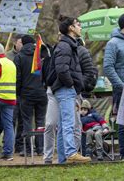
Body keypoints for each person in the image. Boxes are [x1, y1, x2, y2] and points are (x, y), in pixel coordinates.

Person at [51, 16, 90, 163]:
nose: (80, 27)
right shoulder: (65, 46)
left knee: (62, 126)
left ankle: (63, 159)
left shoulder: (66, 45)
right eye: (78, 25)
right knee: (69, 123)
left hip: (64, 89)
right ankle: (71, 153)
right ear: (71, 28)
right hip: (65, 89)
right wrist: (71, 85)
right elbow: (62, 69)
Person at [103, 13, 124, 160]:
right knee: (123, 121)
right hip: (121, 88)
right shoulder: (112, 43)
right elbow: (108, 67)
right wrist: (121, 85)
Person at [14, 35, 47, 156]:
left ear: (22, 43)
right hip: (41, 94)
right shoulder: (41, 56)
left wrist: (18, 93)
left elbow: (17, 78)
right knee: (40, 121)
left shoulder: (19, 57)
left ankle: (28, 150)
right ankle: (40, 148)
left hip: (26, 94)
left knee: (27, 121)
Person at [6, 34, 24, 154]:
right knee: (10, 120)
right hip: (11, 92)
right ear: (15, 43)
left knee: (22, 121)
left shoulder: (28, 55)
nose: (22, 45)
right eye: (20, 43)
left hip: (24, 93)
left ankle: (20, 145)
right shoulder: (7, 56)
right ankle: (8, 145)